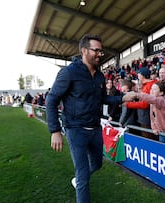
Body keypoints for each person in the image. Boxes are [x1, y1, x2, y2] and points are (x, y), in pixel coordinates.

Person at [46, 34, 134, 203]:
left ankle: (78, 179)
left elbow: (103, 99)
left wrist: (123, 97)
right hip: (75, 130)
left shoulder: (100, 76)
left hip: (95, 129)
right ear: (84, 50)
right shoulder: (68, 72)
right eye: (96, 50)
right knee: (83, 175)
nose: (100, 54)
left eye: (101, 51)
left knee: (97, 164)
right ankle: (80, 180)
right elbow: (51, 100)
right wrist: (55, 130)